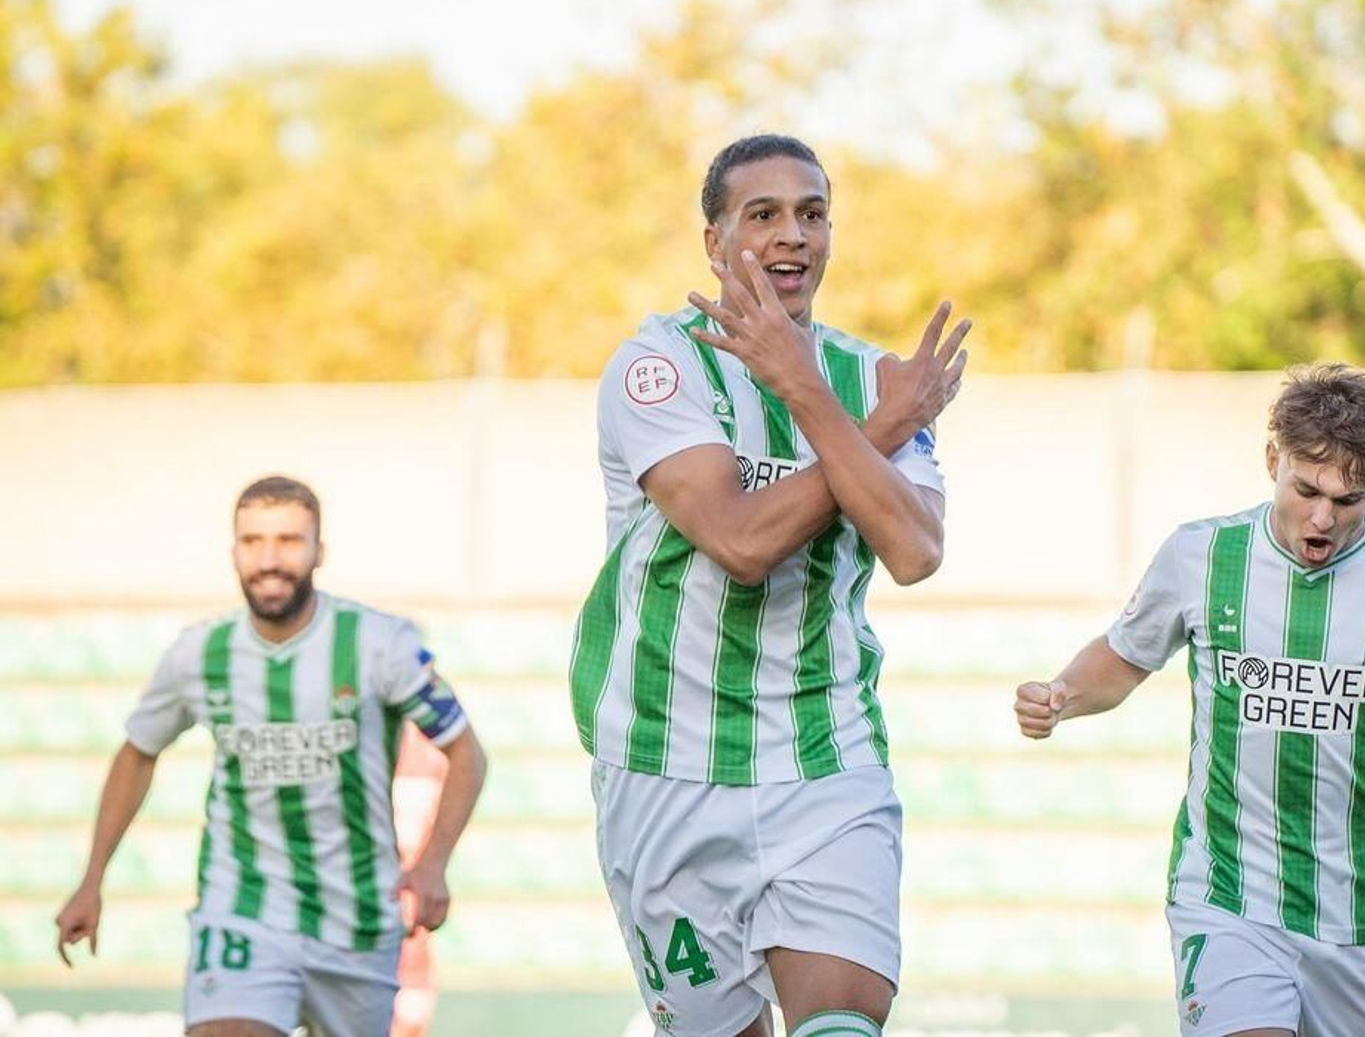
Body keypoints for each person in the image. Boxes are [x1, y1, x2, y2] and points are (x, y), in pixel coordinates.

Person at [569, 133, 970, 1037]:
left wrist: (816, 395)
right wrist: (870, 434)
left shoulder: (872, 377)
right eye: (764, 215)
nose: (794, 235)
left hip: (825, 758)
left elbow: (914, 548)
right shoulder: (655, 367)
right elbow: (740, 541)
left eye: (813, 213)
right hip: (665, 764)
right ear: (715, 244)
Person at [1015, 363, 1365, 1037]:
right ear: (1272, 458)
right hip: (1227, 897)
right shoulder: (1203, 555)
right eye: (1307, 488)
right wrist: (1062, 693)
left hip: (1360, 918)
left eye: (1348, 499)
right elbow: (1125, 654)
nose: (1322, 517)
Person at [55, 475, 488, 1037]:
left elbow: (466, 752)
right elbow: (137, 754)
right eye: (253, 541)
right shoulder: (199, 653)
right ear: (233, 551)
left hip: (355, 919)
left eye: (288, 541)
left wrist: (432, 864)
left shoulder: (379, 643)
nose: (269, 559)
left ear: (319, 551)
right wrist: (92, 880)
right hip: (243, 909)